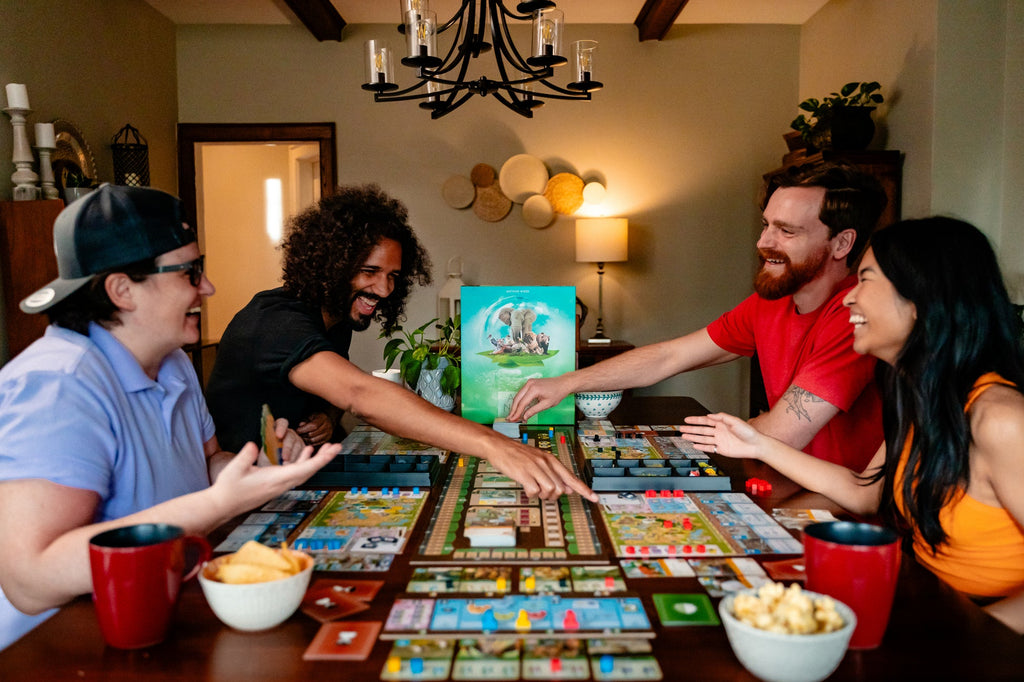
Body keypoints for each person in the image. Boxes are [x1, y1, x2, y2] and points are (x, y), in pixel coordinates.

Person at [0, 185, 341, 650]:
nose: (208, 287)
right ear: (122, 290)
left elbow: (208, 463)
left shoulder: (173, 362)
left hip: (162, 614)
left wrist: (257, 466)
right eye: (190, 272)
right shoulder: (57, 386)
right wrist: (220, 503)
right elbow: (31, 579)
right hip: (68, 646)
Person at [681, 217, 1024, 634]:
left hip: (976, 634)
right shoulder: (921, 397)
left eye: (866, 280)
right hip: (924, 605)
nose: (849, 299)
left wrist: (972, 641)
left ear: (920, 298)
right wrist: (758, 444)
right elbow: (865, 493)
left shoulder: (1001, 418)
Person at [204, 183, 596, 502]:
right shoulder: (276, 322)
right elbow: (359, 394)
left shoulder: (334, 318)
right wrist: (495, 446)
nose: (384, 289)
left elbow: (324, 390)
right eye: (369, 271)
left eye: (393, 275)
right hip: (242, 493)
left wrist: (326, 414)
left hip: (291, 478)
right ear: (330, 266)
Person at [509, 163, 888, 471]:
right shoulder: (769, 303)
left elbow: (779, 434)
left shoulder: (856, 316)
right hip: (784, 483)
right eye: (766, 225)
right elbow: (669, 356)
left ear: (842, 243)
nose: (763, 243)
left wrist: (664, 444)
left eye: (786, 231)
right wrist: (567, 382)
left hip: (839, 513)